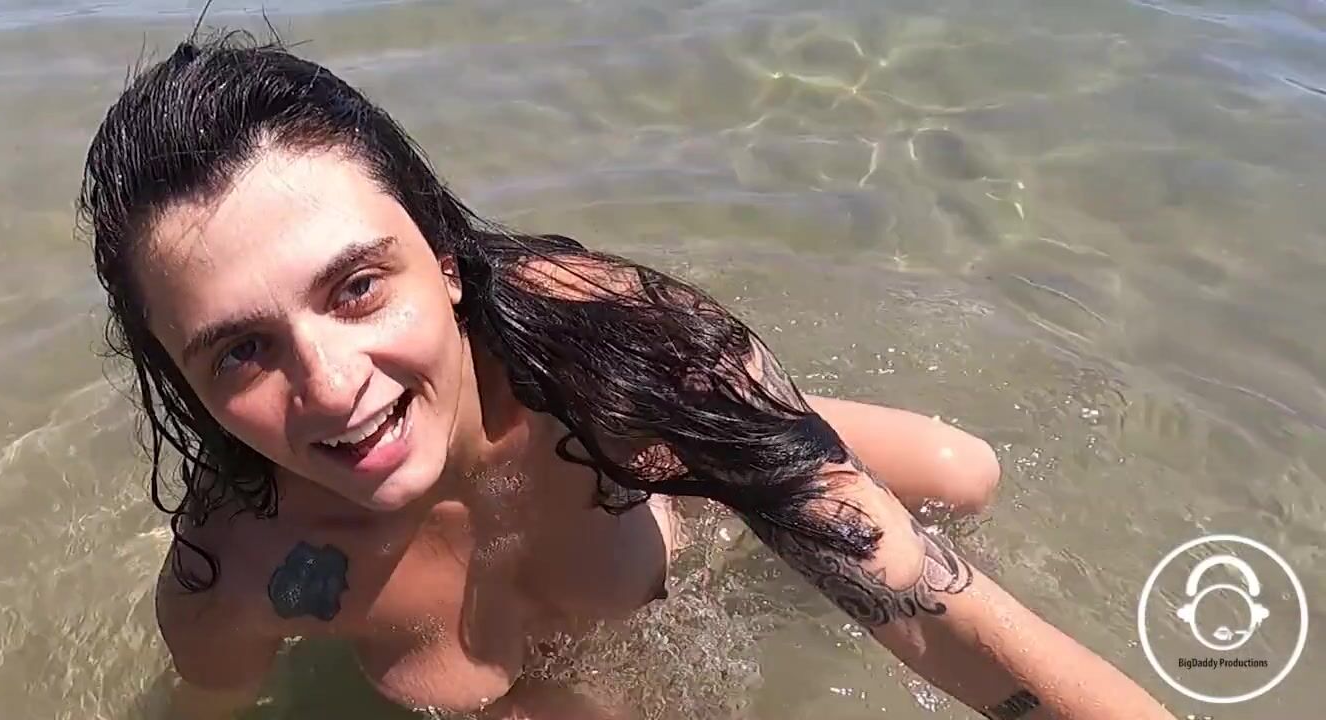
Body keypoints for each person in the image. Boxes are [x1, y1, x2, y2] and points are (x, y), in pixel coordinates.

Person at [77, 33, 1175, 720]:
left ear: (444, 258)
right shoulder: (240, 573)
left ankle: (738, 458)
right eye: (241, 350)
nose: (328, 386)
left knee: (961, 475)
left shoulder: (627, 354)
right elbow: (206, 712)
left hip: (625, 437)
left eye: (357, 287)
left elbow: (943, 626)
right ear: (185, 380)